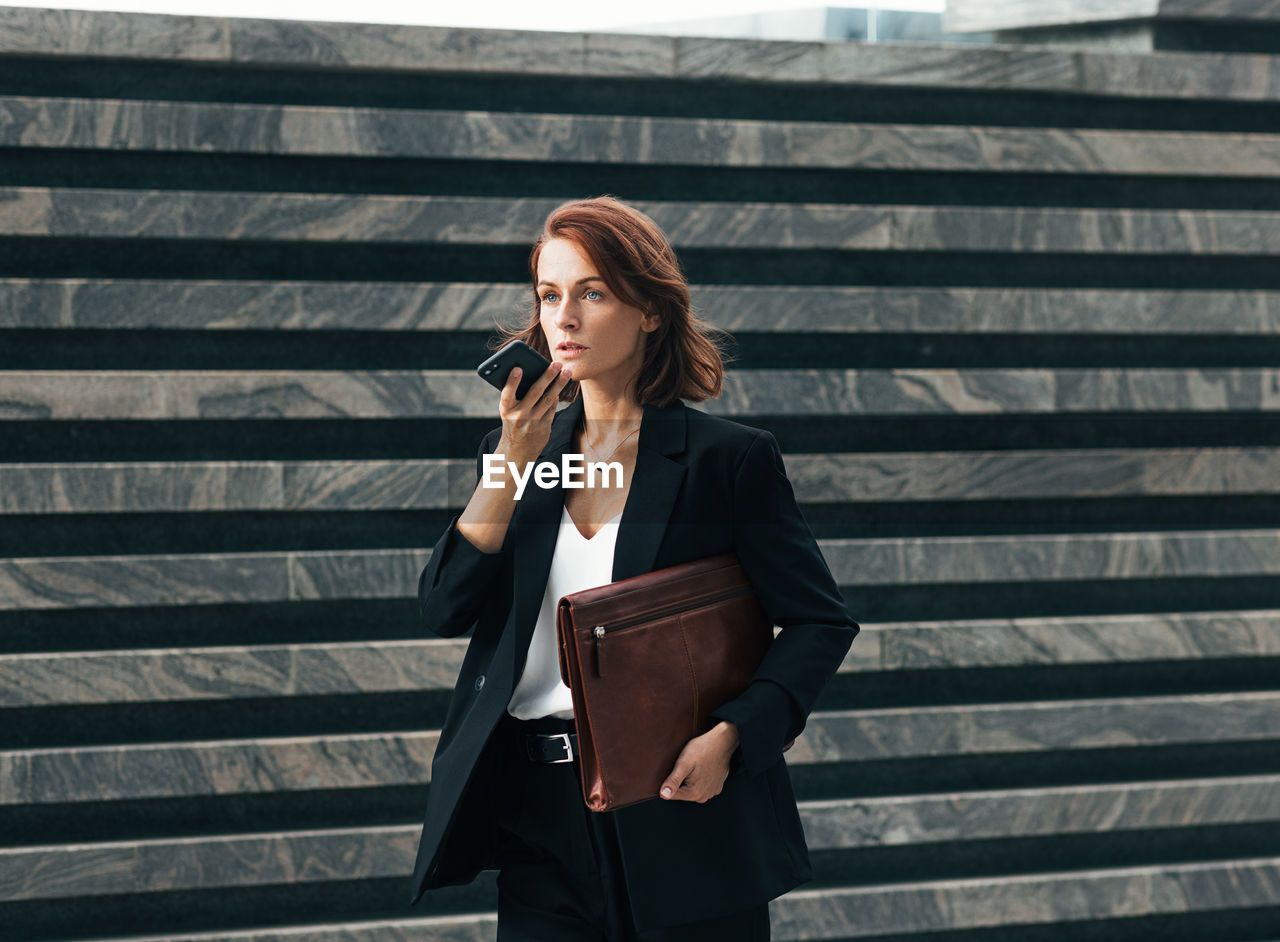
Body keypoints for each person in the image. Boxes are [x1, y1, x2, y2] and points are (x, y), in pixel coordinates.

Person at [408, 195, 859, 941]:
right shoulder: (520, 456)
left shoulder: (726, 460)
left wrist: (733, 739)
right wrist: (509, 468)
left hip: (681, 809)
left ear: (650, 310)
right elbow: (443, 609)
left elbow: (819, 620)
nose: (565, 318)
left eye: (592, 293)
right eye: (550, 296)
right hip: (536, 817)